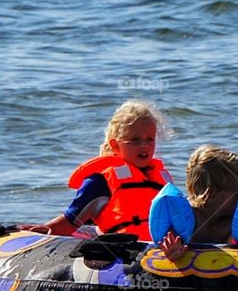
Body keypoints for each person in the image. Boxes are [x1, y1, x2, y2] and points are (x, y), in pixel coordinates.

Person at [28, 100, 172, 241]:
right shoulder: (100, 182)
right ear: (115, 146)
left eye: (150, 139)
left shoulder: (164, 180)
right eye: (135, 140)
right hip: (124, 250)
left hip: (163, 251)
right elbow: (69, 222)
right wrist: (38, 234)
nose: (144, 146)